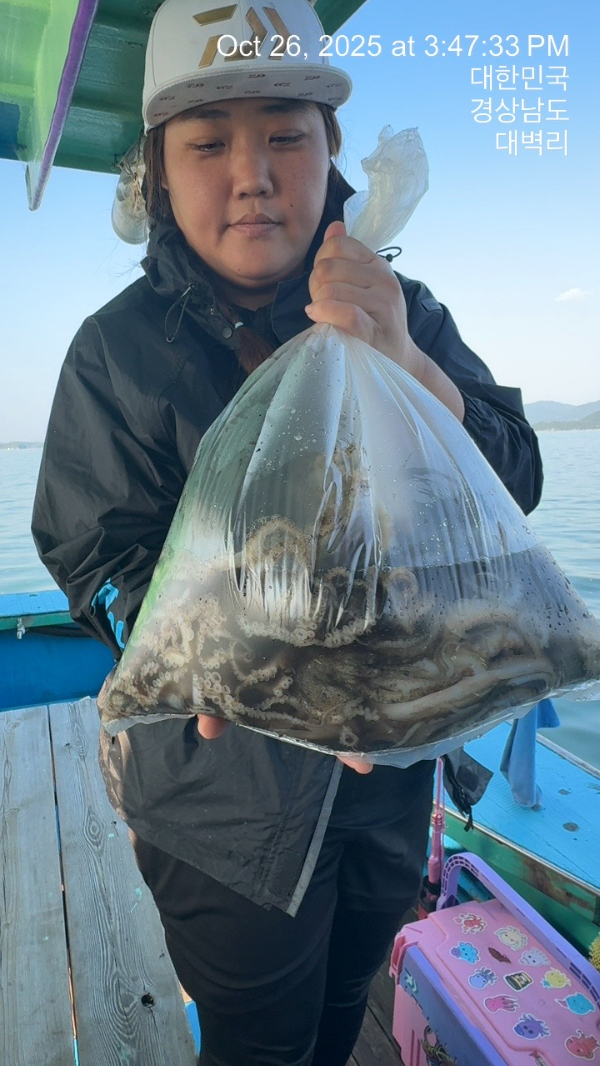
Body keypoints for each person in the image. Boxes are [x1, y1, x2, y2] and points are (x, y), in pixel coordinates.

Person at [32, 1, 543, 1063]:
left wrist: (408, 360)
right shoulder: (115, 353)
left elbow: (516, 479)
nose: (252, 174)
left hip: (390, 773)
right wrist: (212, 656)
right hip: (221, 807)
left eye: (285, 134)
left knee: (349, 989)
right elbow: (95, 551)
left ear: (331, 148)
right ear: (157, 172)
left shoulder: (404, 311)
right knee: (257, 1034)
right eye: (207, 143)